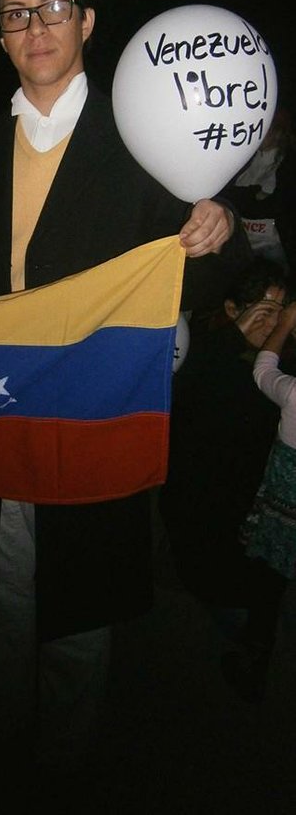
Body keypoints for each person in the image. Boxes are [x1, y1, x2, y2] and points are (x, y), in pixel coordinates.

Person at [0, 0, 252, 783]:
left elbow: (207, 268)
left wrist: (217, 228)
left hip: (93, 415)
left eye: (53, 7)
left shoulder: (148, 139)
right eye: (15, 13)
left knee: (77, 619)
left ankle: (64, 774)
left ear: (87, 22)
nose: (35, 26)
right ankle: (3, 758)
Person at [159, 257, 292, 701]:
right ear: (233, 309)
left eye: (280, 309)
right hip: (204, 503)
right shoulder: (206, 349)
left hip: (259, 506)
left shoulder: (281, 360)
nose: (271, 320)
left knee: (259, 585)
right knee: (222, 590)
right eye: (261, 309)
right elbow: (187, 398)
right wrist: (237, 338)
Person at [229, 299, 296, 700]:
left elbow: (262, 370)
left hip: (281, 517)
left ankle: (255, 662)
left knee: (267, 588)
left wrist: (285, 323)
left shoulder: (294, 394)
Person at [221, 105, 296, 277]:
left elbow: (277, 205)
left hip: (274, 243)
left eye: (263, 128)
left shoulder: (288, 163)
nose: (257, 133)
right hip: (245, 242)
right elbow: (226, 194)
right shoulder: (246, 157)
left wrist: (243, 197)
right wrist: (252, 194)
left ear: (277, 131)